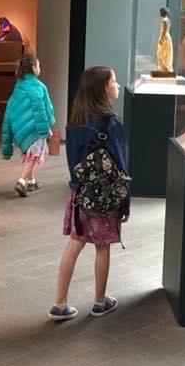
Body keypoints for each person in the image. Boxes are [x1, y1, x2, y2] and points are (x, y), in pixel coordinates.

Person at [50, 66, 129, 321]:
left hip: (79, 195)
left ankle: (59, 304)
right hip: (103, 198)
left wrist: (76, 186)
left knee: (75, 243)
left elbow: (72, 162)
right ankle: (99, 302)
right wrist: (125, 202)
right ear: (103, 87)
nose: (117, 85)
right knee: (102, 248)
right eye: (114, 81)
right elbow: (120, 167)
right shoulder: (111, 123)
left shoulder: (75, 121)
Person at [1, 53, 55, 197]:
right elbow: (41, 109)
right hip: (35, 129)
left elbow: (10, 110)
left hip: (20, 130)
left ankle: (31, 182)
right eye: (39, 65)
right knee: (33, 155)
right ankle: (22, 181)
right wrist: (46, 129)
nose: (40, 68)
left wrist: (8, 140)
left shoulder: (18, 86)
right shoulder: (38, 86)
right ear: (33, 67)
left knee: (29, 154)